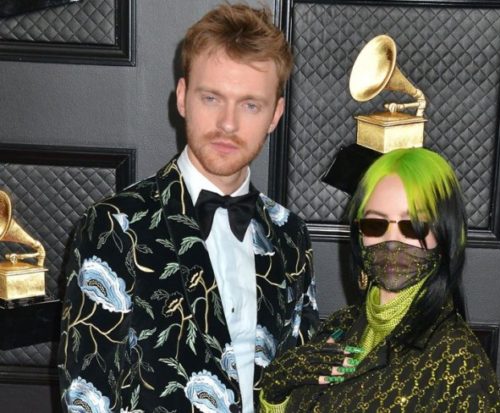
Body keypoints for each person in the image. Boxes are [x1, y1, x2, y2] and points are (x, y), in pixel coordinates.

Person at [57, 4, 318, 412]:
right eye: (211, 98)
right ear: (182, 98)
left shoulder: (290, 235)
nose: (228, 123)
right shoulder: (114, 228)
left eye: (250, 104)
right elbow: (85, 397)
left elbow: (303, 387)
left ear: (275, 115)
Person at [260, 148, 500, 412]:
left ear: (445, 236)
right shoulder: (342, 325)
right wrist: (276, 389)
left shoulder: (458, 360)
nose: (392, 241)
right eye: (375, 224)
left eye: (414, 226)